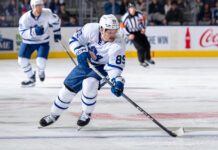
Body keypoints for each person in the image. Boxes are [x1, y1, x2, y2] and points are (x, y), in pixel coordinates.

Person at [39, 14, 126, 128]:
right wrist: (79, 51)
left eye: (115, 31)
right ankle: (54, 115)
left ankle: (86, 113)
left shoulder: (118, 44)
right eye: (109, 31)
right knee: (67, 89)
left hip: (102, 67)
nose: (112, 35)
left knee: (90, 84)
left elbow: (114, 67)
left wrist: (117, 81)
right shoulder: (90, 29)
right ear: (101, 29)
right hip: (85, 62)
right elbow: (74, 40)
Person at [18, 0, 61, 87]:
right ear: (32, 6)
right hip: (28, 42)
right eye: (37, 5)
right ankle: (31, 77)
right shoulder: (25, 18)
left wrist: (57, 32)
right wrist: (34, 31)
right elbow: (22, 33)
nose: (40, 7)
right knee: (22, 61)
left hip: (43, 42)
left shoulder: (47, 13)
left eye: (41, 5)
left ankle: (41, 71)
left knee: (41, 62)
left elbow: (56, 21)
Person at [121, 2, 155, 67]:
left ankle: (148, 58)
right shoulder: (125, 17)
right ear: (128, 9)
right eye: (131, 8)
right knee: (140, 48)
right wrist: (128, 35)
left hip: (139, 32)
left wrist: (143, 28)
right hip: (132, 34)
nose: (132, 9)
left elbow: (144, 20)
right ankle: (142, 61)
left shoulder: (139, 14)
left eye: (133, 8)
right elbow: (122, 27)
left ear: (135, 8)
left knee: (147, 45)